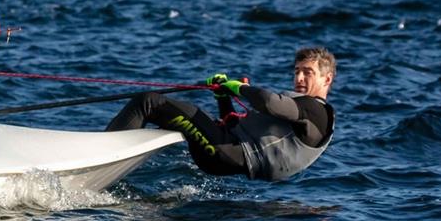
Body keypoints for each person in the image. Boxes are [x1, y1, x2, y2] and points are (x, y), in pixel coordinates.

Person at [106, 47, 336, 181]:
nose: (299, 79)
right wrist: (223, 96)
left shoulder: (315, 110)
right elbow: (233, 127)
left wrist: (239, 87)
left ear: (327, 79)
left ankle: (104, 159)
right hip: (225, 153)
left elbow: (269, 102)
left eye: (308, 73)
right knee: (166, 114)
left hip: (225, 153)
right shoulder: (305, 110)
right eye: (297, 72)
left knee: (148, 102)